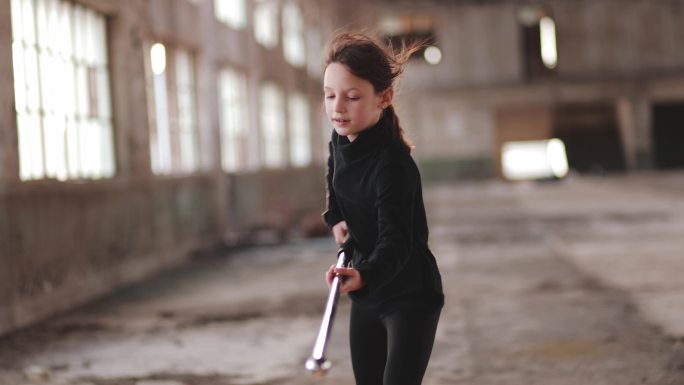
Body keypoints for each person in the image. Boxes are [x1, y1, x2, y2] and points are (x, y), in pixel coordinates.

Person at [321, 32, 445, 385]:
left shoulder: (393, 166)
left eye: (353, 96)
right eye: (330, 95)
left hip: (409, 294)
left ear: (384, 98)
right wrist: (336, 217)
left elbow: (396, 242)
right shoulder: (340, 138)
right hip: (369, 289)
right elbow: (334, 172)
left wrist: (365, 275)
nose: (337, 107)